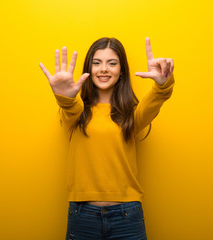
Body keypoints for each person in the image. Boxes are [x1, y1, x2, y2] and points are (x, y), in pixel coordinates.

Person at [39, 37, 175, 239]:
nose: (104, 69)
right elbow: (70, 107)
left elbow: (156, 98)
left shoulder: (132, 115)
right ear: (88, 69)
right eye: (97, 62)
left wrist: (162, 84)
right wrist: (64, 96)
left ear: (121, 71)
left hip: (127, 216)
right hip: (82, 216)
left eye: (112, 63)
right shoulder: (77, 112)